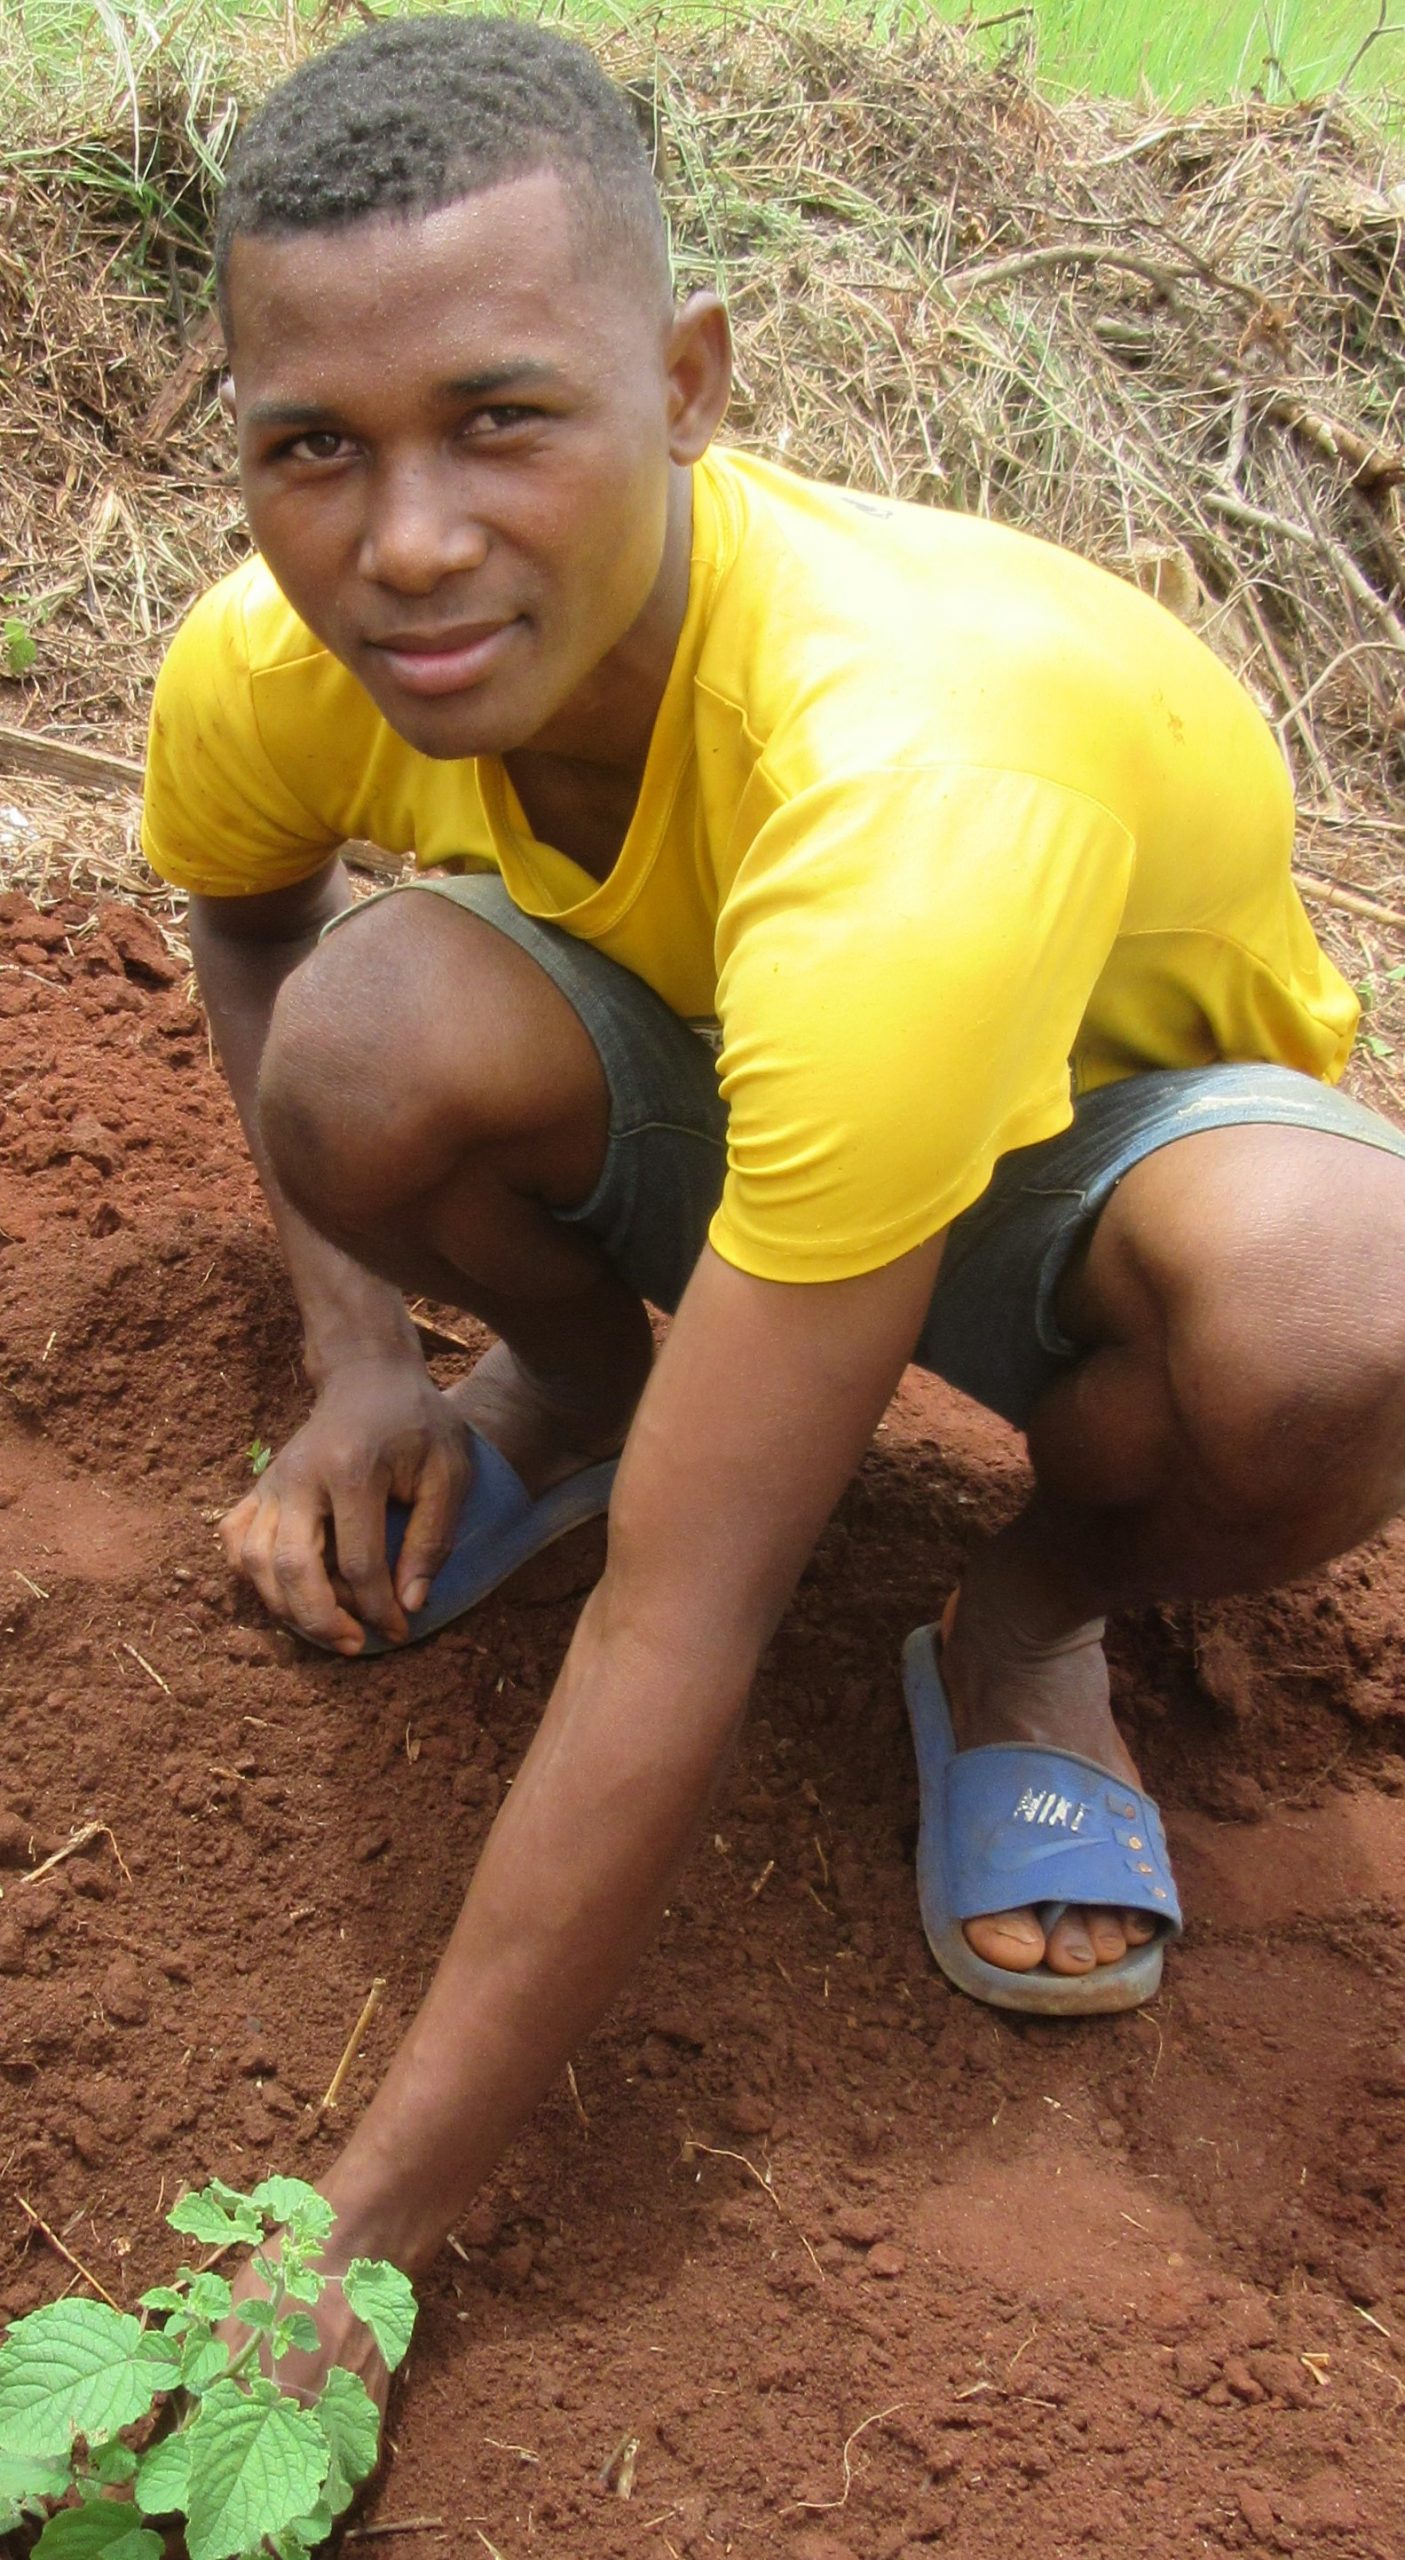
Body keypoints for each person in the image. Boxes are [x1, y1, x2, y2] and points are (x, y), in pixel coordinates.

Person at [142, 12, 1405, 2402]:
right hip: (760, 1054)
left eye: (502, 417)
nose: (406, 541)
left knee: (1339, 1313)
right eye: (315, 445)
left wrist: (355, 2233)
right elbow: (252, 914)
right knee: (372, 1039)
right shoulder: (292, 654)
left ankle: (1023, 1625)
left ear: (690, 382)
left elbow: (677, 1617)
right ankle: (580, 1385)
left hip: (1078, 1149)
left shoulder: (914, 772)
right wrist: (356, 1357)